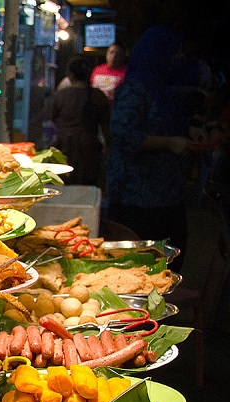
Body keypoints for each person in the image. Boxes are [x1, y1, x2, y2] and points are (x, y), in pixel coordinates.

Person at [105, 25, 196, 272]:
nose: (180, 58)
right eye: (174, 51)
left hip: (167, 196)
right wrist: (170, 142)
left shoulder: (165, 89)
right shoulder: (134, 88)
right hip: (138, 198)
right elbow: (124, 136)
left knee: (169, 266)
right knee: (142, 269)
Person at [47, 55, 111, 187]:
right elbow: (106, 128)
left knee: (62, 188)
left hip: (63, 149)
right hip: (90, 150)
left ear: (69, 75)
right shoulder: (98, 96)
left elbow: (49, 121)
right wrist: (108, 149)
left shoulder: (60, 96)